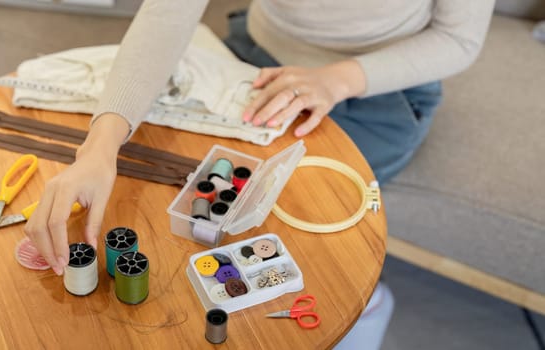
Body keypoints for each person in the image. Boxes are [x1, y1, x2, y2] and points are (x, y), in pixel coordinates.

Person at [24, 0, 495, 278]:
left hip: (375, 85)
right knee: (201, 194)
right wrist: (100, 147)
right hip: (256, 57)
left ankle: (362, 304)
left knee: (297, 224)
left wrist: (335, 80)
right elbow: (169, 13)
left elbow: (458, 39)